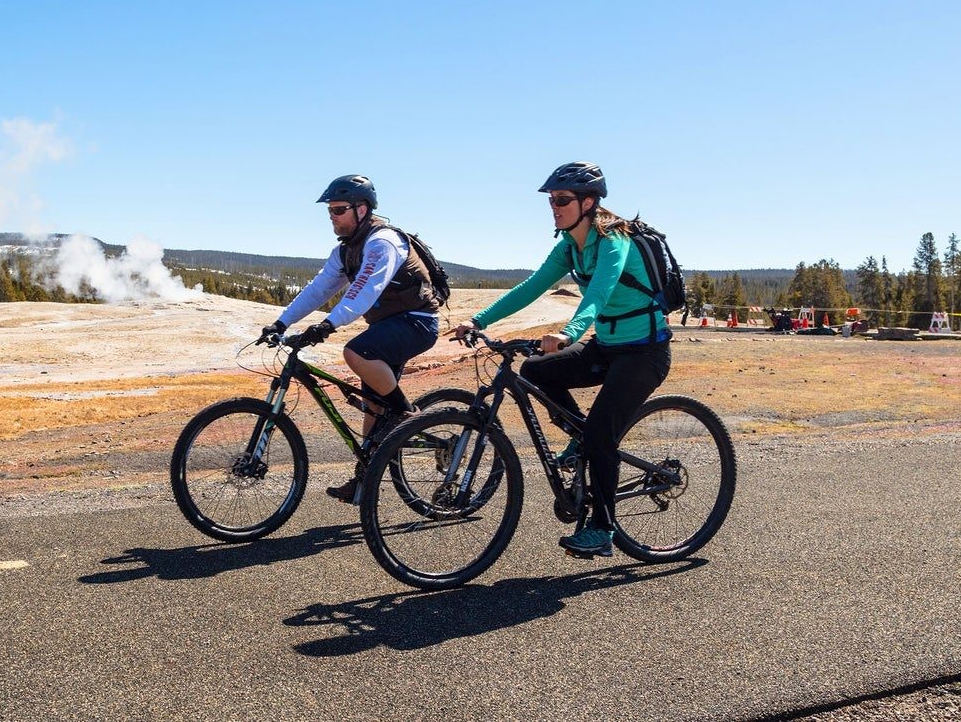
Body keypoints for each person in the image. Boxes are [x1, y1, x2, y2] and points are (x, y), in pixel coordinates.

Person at [453, 161, 672, 558]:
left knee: (602, 434)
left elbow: (598, 294)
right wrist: (478, 319)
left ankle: (603, 529)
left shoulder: (613, 240)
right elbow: (532, 286)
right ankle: (580, 439)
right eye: (551, 200)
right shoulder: (570, 246)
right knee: (535, 369)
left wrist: (570, 333)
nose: (554, 206)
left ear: (588, 202)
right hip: (607, 346)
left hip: (644, 352)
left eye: (562, 199)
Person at [261, 175, 442, 503]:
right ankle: (364, 481)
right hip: (388, 327)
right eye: (330, 211)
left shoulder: (382, 242)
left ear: (362, 209)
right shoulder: (345, 251)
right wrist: (280, 322)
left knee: (357, 352)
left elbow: (365, 290)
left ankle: (405, 415)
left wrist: (328, 326)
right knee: (374, 406)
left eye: (339, 209)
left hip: (417, 323)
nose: (333, 216)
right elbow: (319, 289)